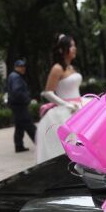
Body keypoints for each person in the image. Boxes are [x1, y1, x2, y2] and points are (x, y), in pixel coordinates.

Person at [35, 34, 83, 163]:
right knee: (68, 143)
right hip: (66, 110)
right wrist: (66, 105)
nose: (74, 48)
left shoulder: (71, 67)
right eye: (71, 46)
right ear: (62, 49)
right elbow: (48, 92)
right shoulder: (57, 68)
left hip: (79, 105)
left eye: (74, 45)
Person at [6, 59, 36, 153]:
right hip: (19, 105)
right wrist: (26, 99)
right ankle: (41, 143)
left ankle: (19, 146)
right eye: (20, 66)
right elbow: (17, 91)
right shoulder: (16, 77)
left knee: (19, 126)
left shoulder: (13, 75)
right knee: (29, 125)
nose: (23, 68)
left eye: (23, 66)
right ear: (16, 67)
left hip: (16, 105)